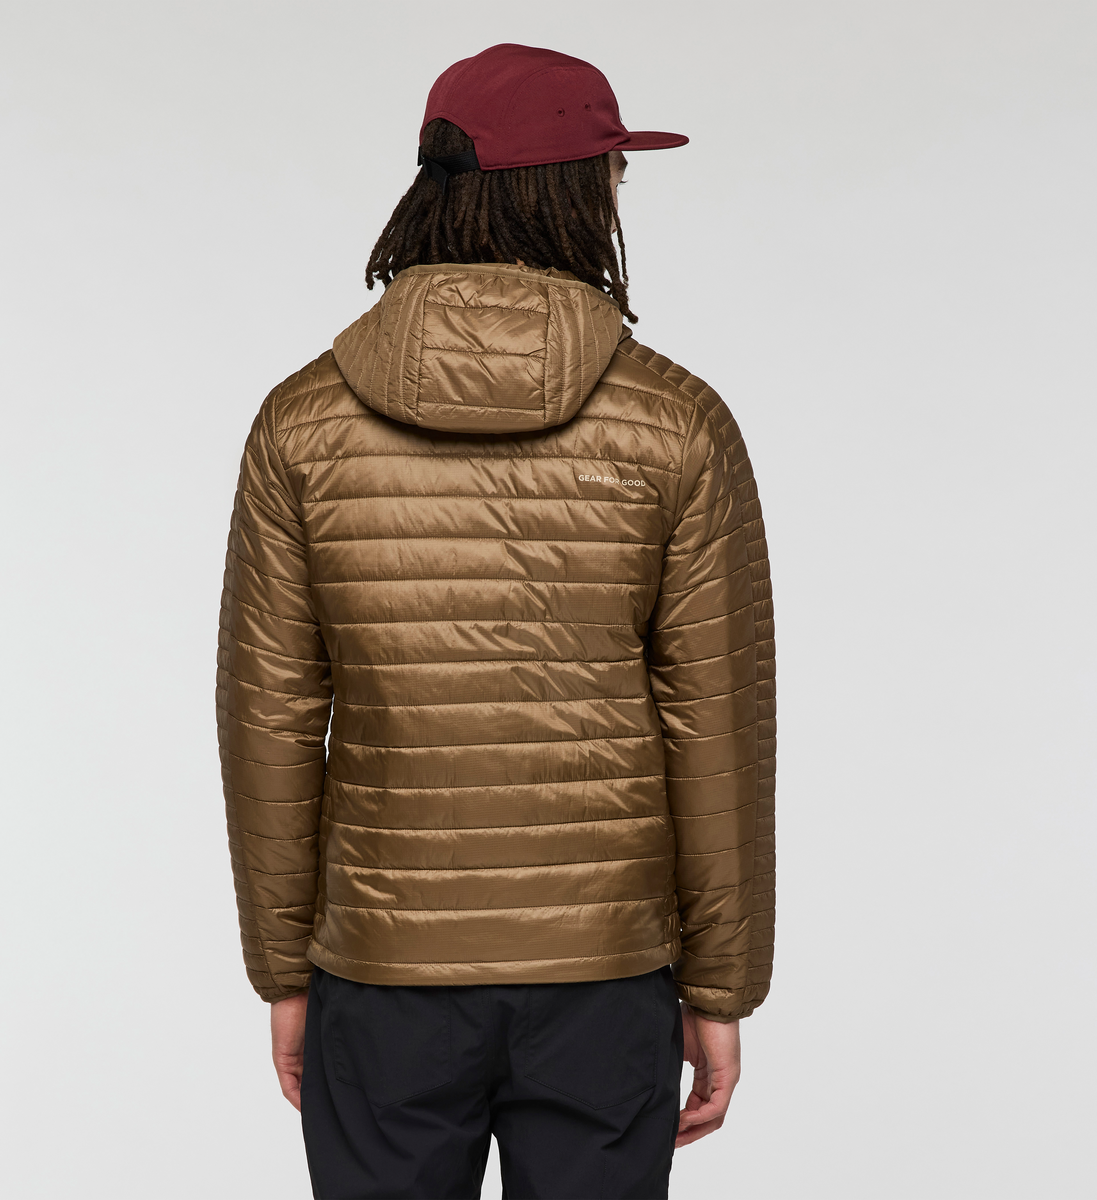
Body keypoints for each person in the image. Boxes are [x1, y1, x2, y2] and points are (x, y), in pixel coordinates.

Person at [216, 42, 775, 1200]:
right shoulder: (679, 424)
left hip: (381, 974)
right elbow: (718, 727)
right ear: (579, 189)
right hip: (605, 976)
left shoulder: (300, 424)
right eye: (614, 169)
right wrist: (720, 988)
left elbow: (268, 719)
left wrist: (286, 970)